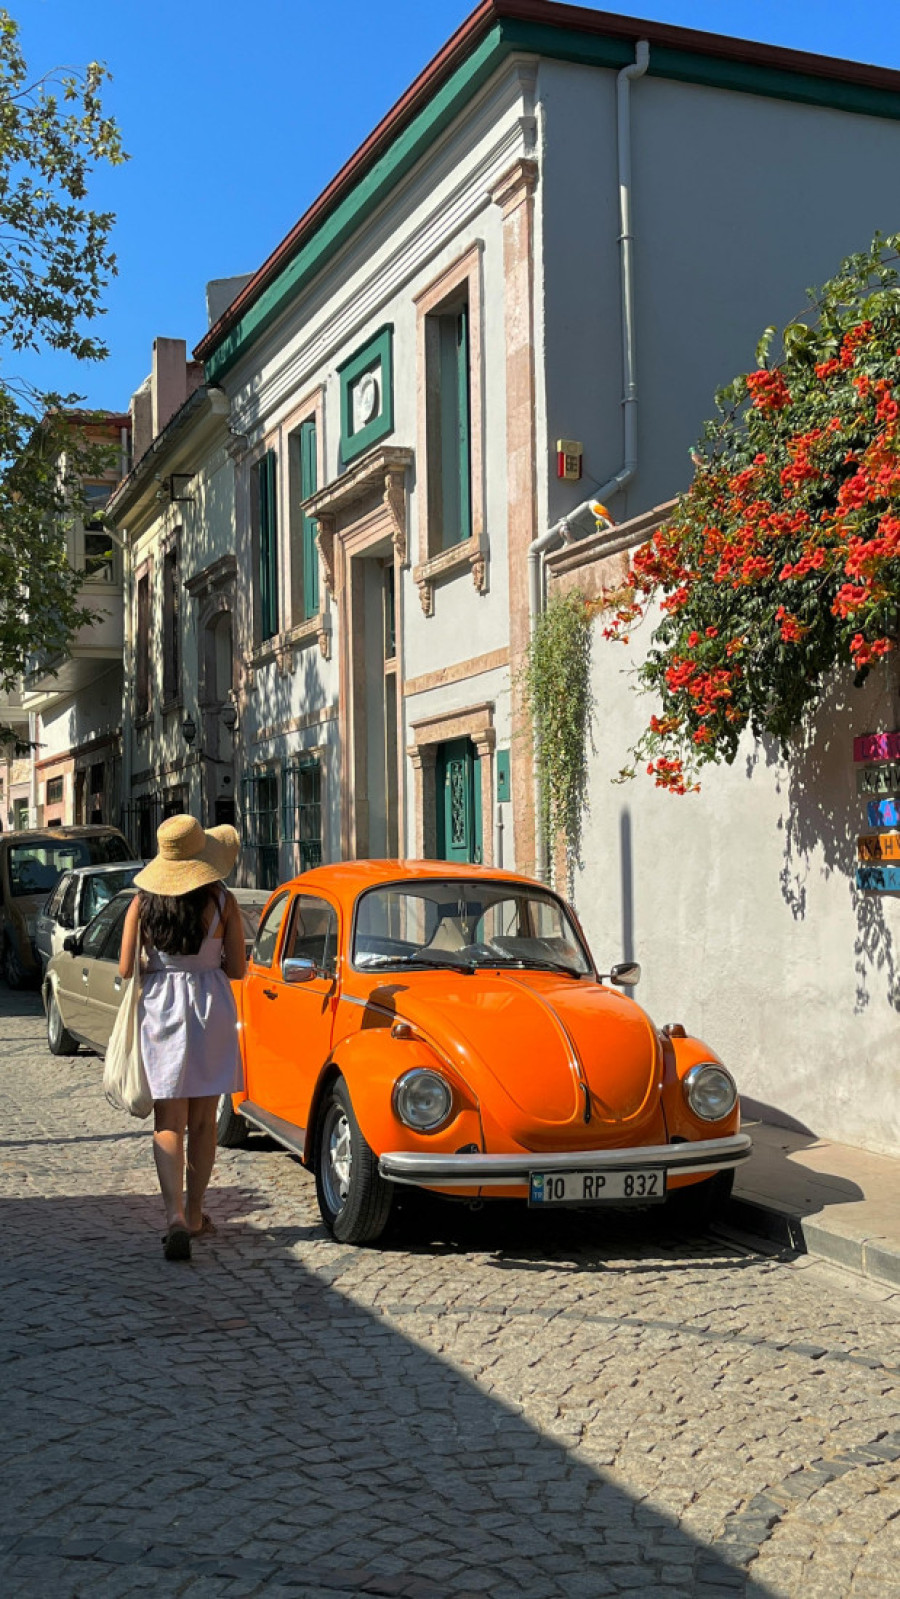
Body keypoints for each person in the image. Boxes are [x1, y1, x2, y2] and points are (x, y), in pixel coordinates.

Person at [119, 814, 246, 1262]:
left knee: (168, 1121)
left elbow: (123, 968)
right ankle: (195, 1213)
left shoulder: (142, 902)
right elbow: (237, 969)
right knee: (204, 1122)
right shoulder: (222, 900)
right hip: (210, 1007)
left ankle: (172, 1215)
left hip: (160, 1010)